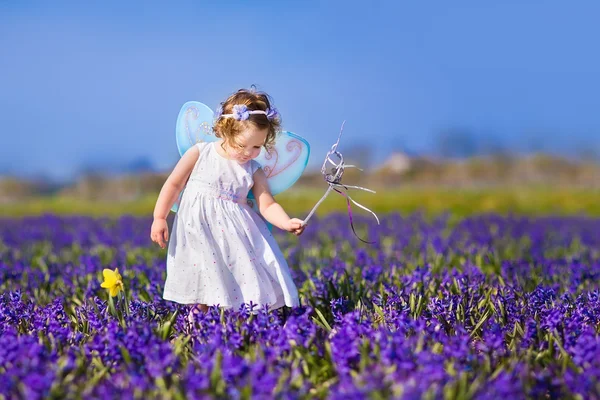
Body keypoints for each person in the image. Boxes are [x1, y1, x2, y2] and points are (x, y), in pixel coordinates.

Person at [150, 88, 305, 320]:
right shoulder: (199, 153)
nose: (249, 153)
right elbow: (173, 184)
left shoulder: (254, 170)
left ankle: (239, 324)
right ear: (225, 130)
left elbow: (267, 205)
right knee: (200, 276)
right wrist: (159, 217)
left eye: (257, 147)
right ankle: (194, 326)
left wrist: (285, 222)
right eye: (242, 145)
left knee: (239, 279)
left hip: (235, 234)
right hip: (197, 230)